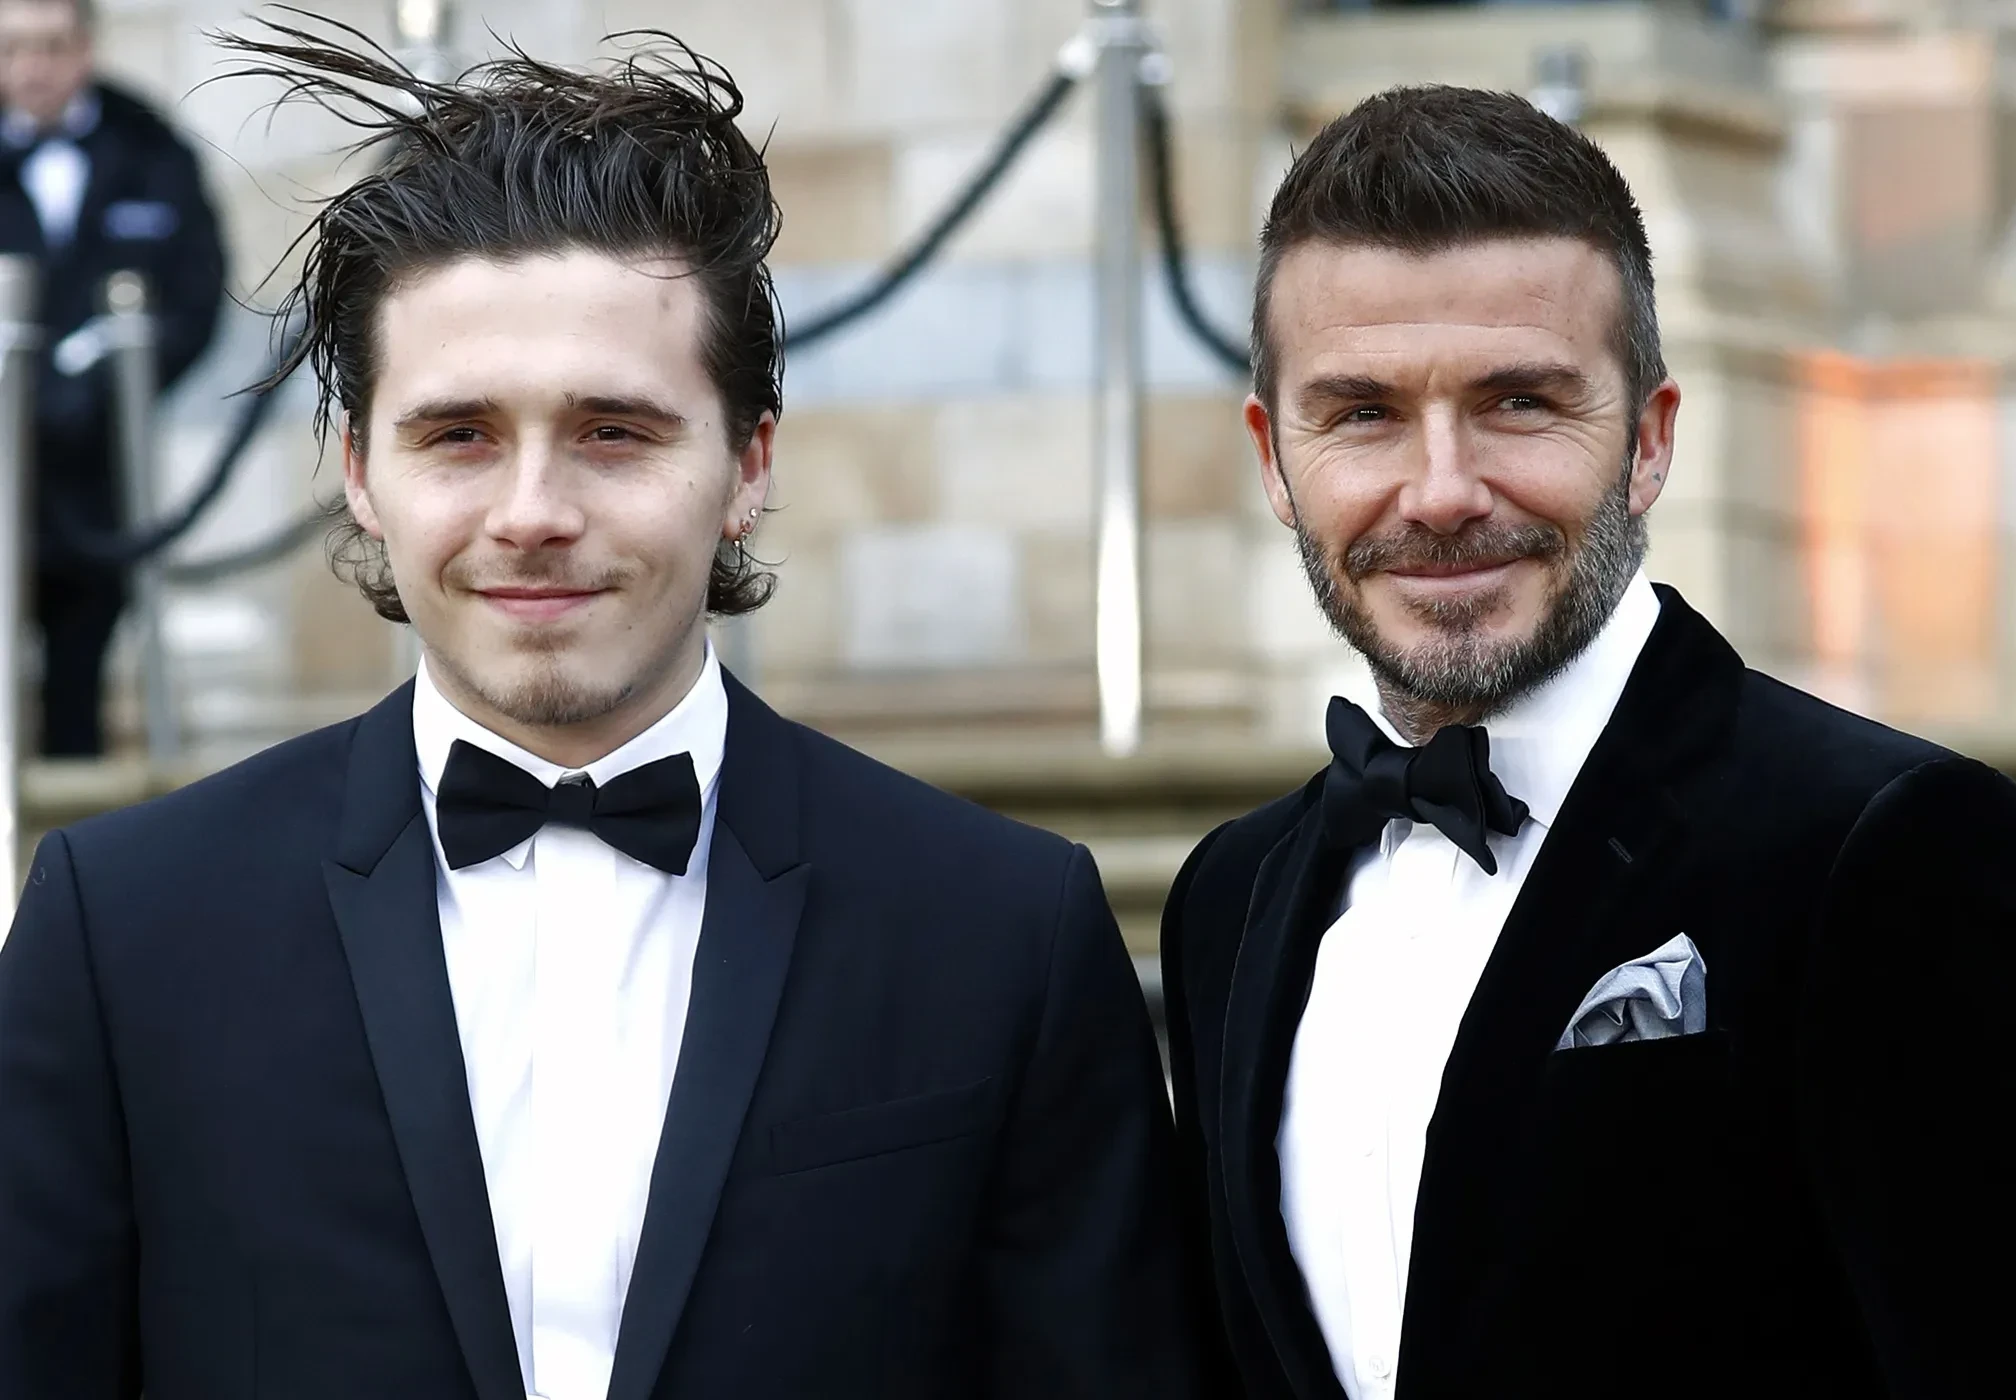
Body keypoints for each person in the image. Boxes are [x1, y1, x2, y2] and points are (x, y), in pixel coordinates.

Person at [0, 25, 1205, 1400]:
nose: (532, 514)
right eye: (458, 434)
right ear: (360, 471)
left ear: (748, 462)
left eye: (615, 432)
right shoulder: (123, 930)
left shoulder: (1002, 931)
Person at [1162, 85, 2016, 1400]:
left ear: (1649, 440)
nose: (1441, 492)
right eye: (1362, 413)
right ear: (1275, 459)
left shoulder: (1887, 845)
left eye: (1518, 402)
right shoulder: (1228, 898)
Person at [0, 0, 225, 756]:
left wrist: (106, 392)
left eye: (51, 46)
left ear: (85, 49)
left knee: (79, 685)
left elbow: (195, 297)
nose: (32, 68)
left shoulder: (149, 147)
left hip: (99, 477)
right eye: (12, 49)